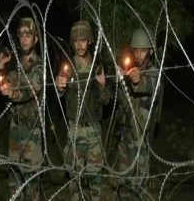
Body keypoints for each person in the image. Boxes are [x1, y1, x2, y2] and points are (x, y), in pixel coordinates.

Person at [55, 20, 111, 201]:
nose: (80, 45)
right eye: (76, 41)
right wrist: (60, 86)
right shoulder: (68, 67)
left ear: (90, 41)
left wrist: (102, 85)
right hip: (74, 128)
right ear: (72, 42)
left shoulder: (97, 67)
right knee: (74, 179)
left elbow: (106, 100)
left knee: (95, 179)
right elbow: (59, 94)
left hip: (94, 130)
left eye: (83, 40)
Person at [0, 17, 43, 200]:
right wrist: (1, 66)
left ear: (35, 39)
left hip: (31, 133)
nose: (24, 39)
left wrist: (13, 93)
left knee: (31, 185)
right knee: (14, 182)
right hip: (15, 130)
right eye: (21, 35)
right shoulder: (17, 65)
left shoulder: (38, 66)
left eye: (28, 35)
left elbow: (30, 90)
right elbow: (3, 84)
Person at [115, 27, 158, 200]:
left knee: (139, 189)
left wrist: (137, 80)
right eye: (136, 50)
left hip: (141, 141)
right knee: (124, 185)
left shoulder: (153, 72)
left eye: (143, 50)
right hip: (125, 138)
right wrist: (120, 81)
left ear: (151, 51)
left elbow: (146, 84)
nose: (139, 54)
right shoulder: (130, 71)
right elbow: (121, 102)